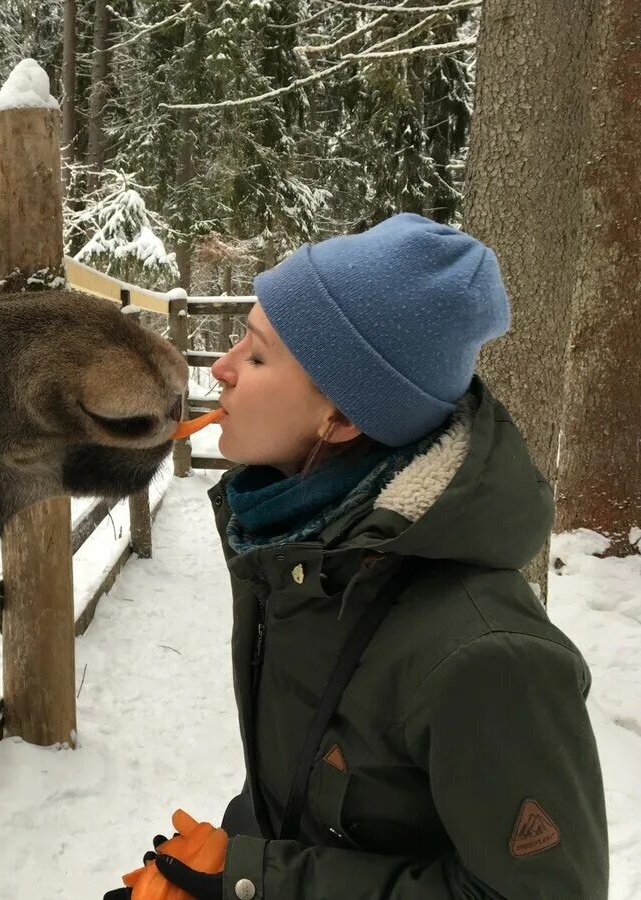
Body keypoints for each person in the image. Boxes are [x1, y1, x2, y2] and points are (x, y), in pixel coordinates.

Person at [107, 214, 609, 899]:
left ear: (339, 418)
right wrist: (217, 865)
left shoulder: (489, 658)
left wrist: (253, 881)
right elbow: (303, 806)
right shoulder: (304, 565)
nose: (221, 369)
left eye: (255, 356)